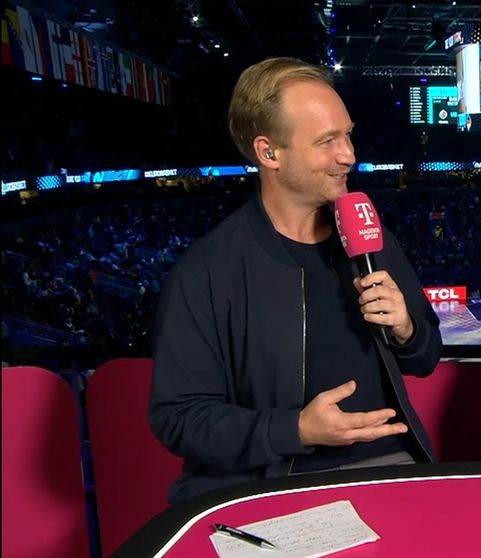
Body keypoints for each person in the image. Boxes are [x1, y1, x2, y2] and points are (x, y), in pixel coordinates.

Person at [149, 57, 442, 504]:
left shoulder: (373, 239)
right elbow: (179, 418)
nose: (349, 154)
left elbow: (425, 359)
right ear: (269, 153)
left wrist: (407, 330)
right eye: (327, 141)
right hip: (272, 478)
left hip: (391, 463)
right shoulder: (206, 272)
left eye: (348, 134)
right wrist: (296, 429)